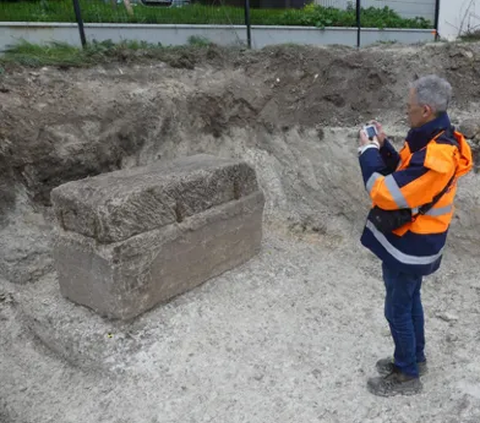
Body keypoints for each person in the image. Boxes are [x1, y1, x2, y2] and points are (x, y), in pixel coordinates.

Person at [357, 75, 473, 397]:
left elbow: (385, 192)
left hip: (413, 244)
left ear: (425, 110)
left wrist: (367, 152)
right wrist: (383, 146)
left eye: (409, 109)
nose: (405, 113)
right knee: (410, 301)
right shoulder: (434, 137)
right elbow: (405, 171)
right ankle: (414, 358)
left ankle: (407, 374)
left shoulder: (436, 156)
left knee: (397, 309)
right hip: (417, 241)